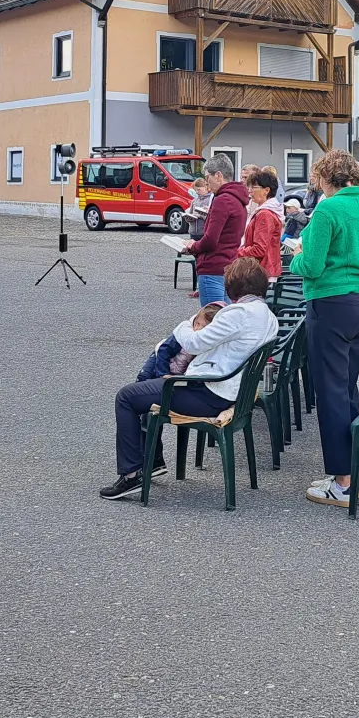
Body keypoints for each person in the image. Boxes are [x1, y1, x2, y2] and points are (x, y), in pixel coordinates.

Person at [99, 258, 279, 499]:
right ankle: (152, 462)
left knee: (127, 396)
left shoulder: (239, 313)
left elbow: (194, 342)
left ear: (233, 287)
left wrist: (186, 324)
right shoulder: (268, 316)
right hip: (234, 393)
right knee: (145, 389)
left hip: (208, 393)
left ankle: (131, 475)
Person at [294, 151, 359, 508]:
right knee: (347, 389)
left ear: (325, 178)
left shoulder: (327, 210)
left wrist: (297, 257)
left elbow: (312, 266)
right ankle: (348, 473)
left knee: (331, 393)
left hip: (330, 303)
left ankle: (343, 481)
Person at [183, 155, 248, 306]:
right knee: (226, 315)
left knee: (212, 317)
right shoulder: (239, 200)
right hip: (229, 265)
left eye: (208, 177)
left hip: (212, 267)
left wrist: (192, 246)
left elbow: (211, 240)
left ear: (218, 175)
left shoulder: (222, 200)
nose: (206, 183)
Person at [137, 302, 223, 381]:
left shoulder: (209, 342)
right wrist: (163, 373)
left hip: (178, 369)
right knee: (144, 377)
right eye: (197, 323)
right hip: (160, 358)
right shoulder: (185, 336)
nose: (198, 328)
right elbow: (164, 351)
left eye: (204, 327)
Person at [237, 168, 284, 280]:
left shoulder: (265, 214)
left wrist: (236, 252)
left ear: (266, 190)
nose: (250, 191)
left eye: (254, 187)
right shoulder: (270, 210)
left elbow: (259, 249)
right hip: (263, 270)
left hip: (261, 272)